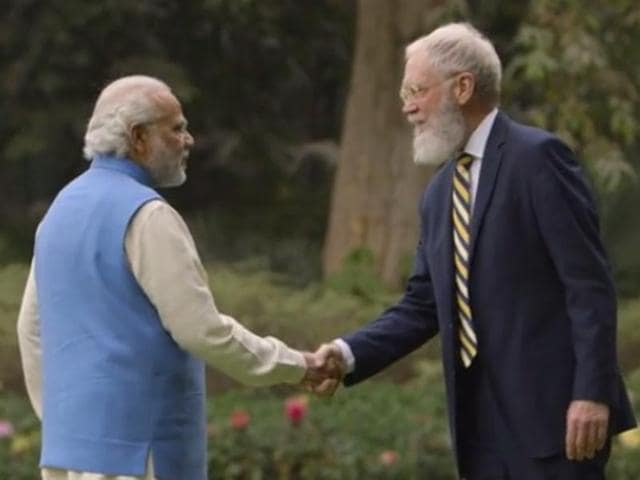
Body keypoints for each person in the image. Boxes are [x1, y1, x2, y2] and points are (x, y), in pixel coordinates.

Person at [311, 23, 636, 479]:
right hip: (479, 432)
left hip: (557, 424)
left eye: (416, 90)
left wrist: (592, 392)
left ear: (463, 87)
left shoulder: (538, 158)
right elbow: (422, 306)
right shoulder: (438, 192)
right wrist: (346, 354)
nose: (407, 107)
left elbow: (588, 285)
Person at [17, 75, 326, 480]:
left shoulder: (59, 210)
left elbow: (30, 329)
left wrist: (64, 419)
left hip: (69, 455)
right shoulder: (148, 214)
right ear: (138, 137)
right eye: (176, 128)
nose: (189, 139)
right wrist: (295, 365)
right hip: (141, 454)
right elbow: (200, 330)